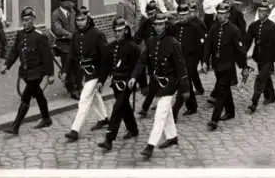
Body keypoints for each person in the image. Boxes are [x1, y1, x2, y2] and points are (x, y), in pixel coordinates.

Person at [128, 13, 190, 161]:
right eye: (156, 24)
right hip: (156, 83)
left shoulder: (173, 43)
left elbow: (181, 67)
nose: (158, 27)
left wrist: (185, 87)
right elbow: (142, 61)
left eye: (161, 24)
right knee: (166, 111)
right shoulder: (150, 41)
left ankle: (150, 146)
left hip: (170, 83)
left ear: (166, 25)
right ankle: (172, 136)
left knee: (160, 114)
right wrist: (134, 76)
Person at [0, 7, 55, 135]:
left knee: (26, 97)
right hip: (25, 72)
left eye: (28, 20)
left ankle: (15, 126)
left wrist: (50, 74)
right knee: (38, 94)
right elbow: (14, 51)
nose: (25, 23)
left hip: (37, 72)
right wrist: (6, 65)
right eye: (23, 20)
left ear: (33, 20)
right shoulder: (20, 35)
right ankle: (46, 118)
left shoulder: (40, 36)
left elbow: (47, 57)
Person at [64, 9, 109, 142]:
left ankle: (75, 130)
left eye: (82, 19)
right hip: (84, 71)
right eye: (77, 20)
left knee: (84, 98)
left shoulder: (97, 34)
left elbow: (105, 57)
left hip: (96, 71)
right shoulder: (76, 35)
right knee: (94, 96)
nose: (80, 23)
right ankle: (104, 118)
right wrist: (65, 71)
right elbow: (71, 55)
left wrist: (102, 78)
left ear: (88, 19)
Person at [202, 3, 248, 131]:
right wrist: (205, 61)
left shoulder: (233, 30)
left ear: (228, 14)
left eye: (223, 14)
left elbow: (240, 50)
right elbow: (208, 46)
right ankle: (230, 111)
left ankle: (214, 119)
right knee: (225, 89)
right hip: (217, 64)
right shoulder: (213, 28)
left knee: (221, 91)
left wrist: (244, 66)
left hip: (228, 66)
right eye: (219, 13)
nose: (220, 16)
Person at [97, 17, 141, 151]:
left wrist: (138, 82)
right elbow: (105, 66)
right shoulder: (110, 47)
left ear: (126, 31)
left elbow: (138, 66)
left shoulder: (133, 47)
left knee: (117, 109)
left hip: (127, 83)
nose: (117, 33)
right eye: (115, 31)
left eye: (120, 31)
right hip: (116, 83)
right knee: (124, 107)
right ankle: (133, 129)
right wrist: (101, 81)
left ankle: (109, 139)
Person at [207, 0, 247, 105]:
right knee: (224, 73)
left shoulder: (237, 13)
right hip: (222, 45)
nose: (229, 0)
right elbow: (215, 27)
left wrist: (241, 45)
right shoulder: (220, 11)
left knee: (225, 72)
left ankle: (216, 96)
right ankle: (224, 92)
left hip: (233, 45)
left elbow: (242, 30)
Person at [245, 0, 275, 112]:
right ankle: (271, 96)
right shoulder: (253, 26)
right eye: (259, 11)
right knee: (266, 77)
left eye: (263, 12)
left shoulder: (273, 27)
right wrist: (243, 53)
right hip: (258, 56)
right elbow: (247, 41)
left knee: (260, 78)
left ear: (268, 13)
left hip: (269, 57)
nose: (261, 13)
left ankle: (254, 102)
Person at [169, 4, 205, 120]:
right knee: (186, 83)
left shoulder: (195, 28)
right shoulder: (174, 28)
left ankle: (176, 109)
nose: (182, 17)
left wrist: (202, 60)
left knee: (185, 82)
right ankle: (192, 106)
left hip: (190, 59)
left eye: (184, 15)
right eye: (180, 15)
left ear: (188, 14)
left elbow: (201, 46)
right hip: (178, 60)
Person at [51, 0, 78, 99]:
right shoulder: (56, 14)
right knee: (68, 63)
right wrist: (69, 34)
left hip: (73, 41)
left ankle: (77, 84)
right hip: (62, 43)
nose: (73, 3)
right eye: (71, 2)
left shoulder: (73, 12)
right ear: (64, 3)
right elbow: (57, 29)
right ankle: (72, 89)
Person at [187, 1, 207, 95]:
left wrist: (203, 58)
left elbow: (203, 41)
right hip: (188, 51)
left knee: (191, 71)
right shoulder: (187, 22)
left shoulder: (200, 24)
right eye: (190, 11)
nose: (191, 14)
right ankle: (199, 89)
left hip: (196, 52)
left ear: (197, 12)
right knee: (192, 72)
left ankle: (193, 89)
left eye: (193, 11)